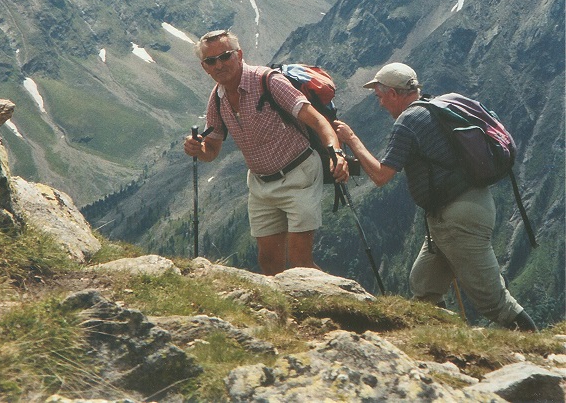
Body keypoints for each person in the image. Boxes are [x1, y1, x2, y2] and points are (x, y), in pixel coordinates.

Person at [333, 61, 537, 330]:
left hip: (457, 218)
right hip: (468, 207)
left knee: (493, 301)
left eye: (380, 97)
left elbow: (382, 176)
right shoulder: (434, 107)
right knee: (424, 284)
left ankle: (541, 350)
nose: (380, 104)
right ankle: (439, 338)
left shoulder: (408, 121)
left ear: (394, 94)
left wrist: (351, 138)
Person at [184, 29, 349, 275]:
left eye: (225, 56)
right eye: (211, 61)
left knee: (300, 263)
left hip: (299, 175)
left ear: (239, 55)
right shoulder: (217, 97)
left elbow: (318, 121)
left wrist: (337, 153)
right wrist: (198, 148)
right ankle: (286, 313)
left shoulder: (268, 81)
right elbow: (212, 150)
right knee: (269, 262)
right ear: (204, 67)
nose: (219, 65)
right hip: (261, 185)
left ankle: (339, 301)